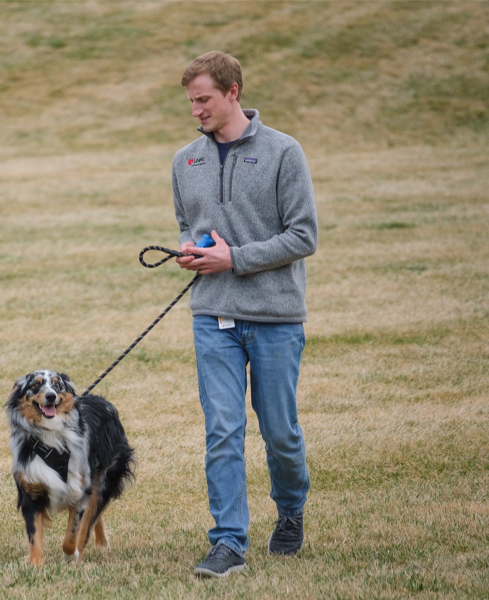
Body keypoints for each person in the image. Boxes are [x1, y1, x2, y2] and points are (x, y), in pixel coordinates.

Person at [170, 52, 317, 578]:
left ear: (233, 92)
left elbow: (304, 236)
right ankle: (228, 541)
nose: (196, 110)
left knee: (279, 431)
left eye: (204, 99)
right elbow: (190, 226)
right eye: (191, 101)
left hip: (276, 317)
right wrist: (190, 250)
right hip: (213, 316)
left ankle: (291, 507)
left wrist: (236, 258)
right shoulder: (185, 160)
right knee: (223, 429)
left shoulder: (284, 152)